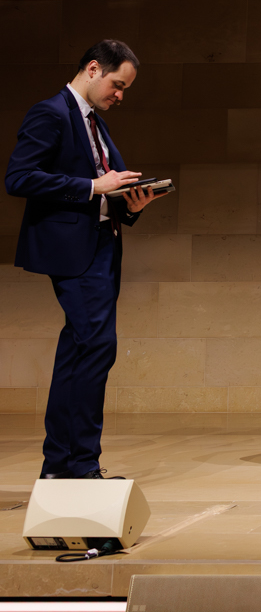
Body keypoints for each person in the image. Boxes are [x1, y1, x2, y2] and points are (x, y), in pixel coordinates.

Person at [6, 41, 162, 479]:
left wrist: (130, 204)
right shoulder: (51, 113)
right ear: (93, 69)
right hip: (74, 253)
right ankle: (80, 465)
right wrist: (93, 187)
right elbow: (19, 177)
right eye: (117, 84)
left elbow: (107, 188)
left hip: (103, 247)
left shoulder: (95, 122)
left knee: (80, 350)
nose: (120, 95)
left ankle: (60, 466)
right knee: (97, 347)